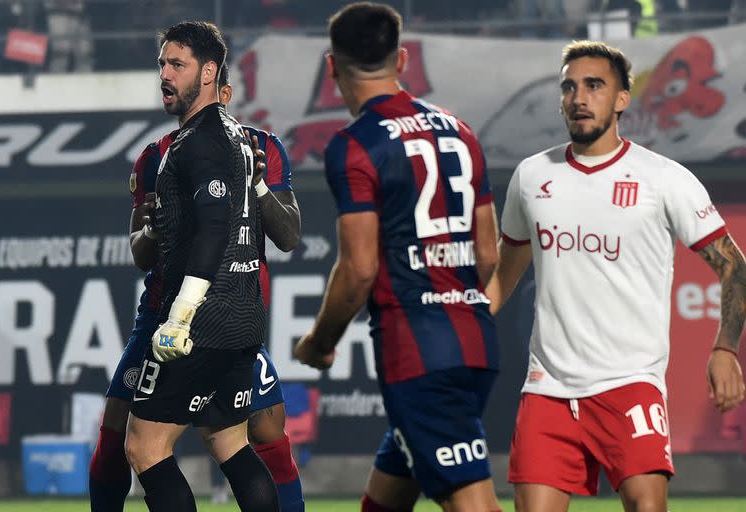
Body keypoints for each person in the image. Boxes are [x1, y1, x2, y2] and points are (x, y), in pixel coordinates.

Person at [485, 40, 746, 511]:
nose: (579, 97)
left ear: (622, 98)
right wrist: (466, 326)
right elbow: (507, 270)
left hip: (631, 382)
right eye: (569, 86)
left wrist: (725, 348)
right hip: (548, 387)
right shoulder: (530, 177)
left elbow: (734, 267)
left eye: (594, 86)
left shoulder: (663, 178)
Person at [294, 3, 503, 511]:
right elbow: (488, 253)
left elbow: (359, 270)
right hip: (474, 343)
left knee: (473, 503)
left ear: (331, 67)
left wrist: (320, 342)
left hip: (418, 352)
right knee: (388, 494)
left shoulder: (354, 146)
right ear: (402, 60)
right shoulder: (461, 131)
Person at [88, 62, 304, 511]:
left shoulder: (262, 149)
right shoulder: (156, 156)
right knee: (116, 434)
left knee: (260, 434)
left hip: (225, 306)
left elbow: (287, 236)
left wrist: (259, 186)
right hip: (165, 314)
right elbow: (141, 255)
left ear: (221, 90)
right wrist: (151, 230)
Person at [122, 21, 279, 512]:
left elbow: (213, 229)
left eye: (178, 64)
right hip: (242, 318)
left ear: (209, 72)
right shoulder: (235, 136)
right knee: (230, 443)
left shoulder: (200, 142)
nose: (165, 75)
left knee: (144, 447)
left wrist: (181, 313)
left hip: (201, 322)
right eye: (162, 64)